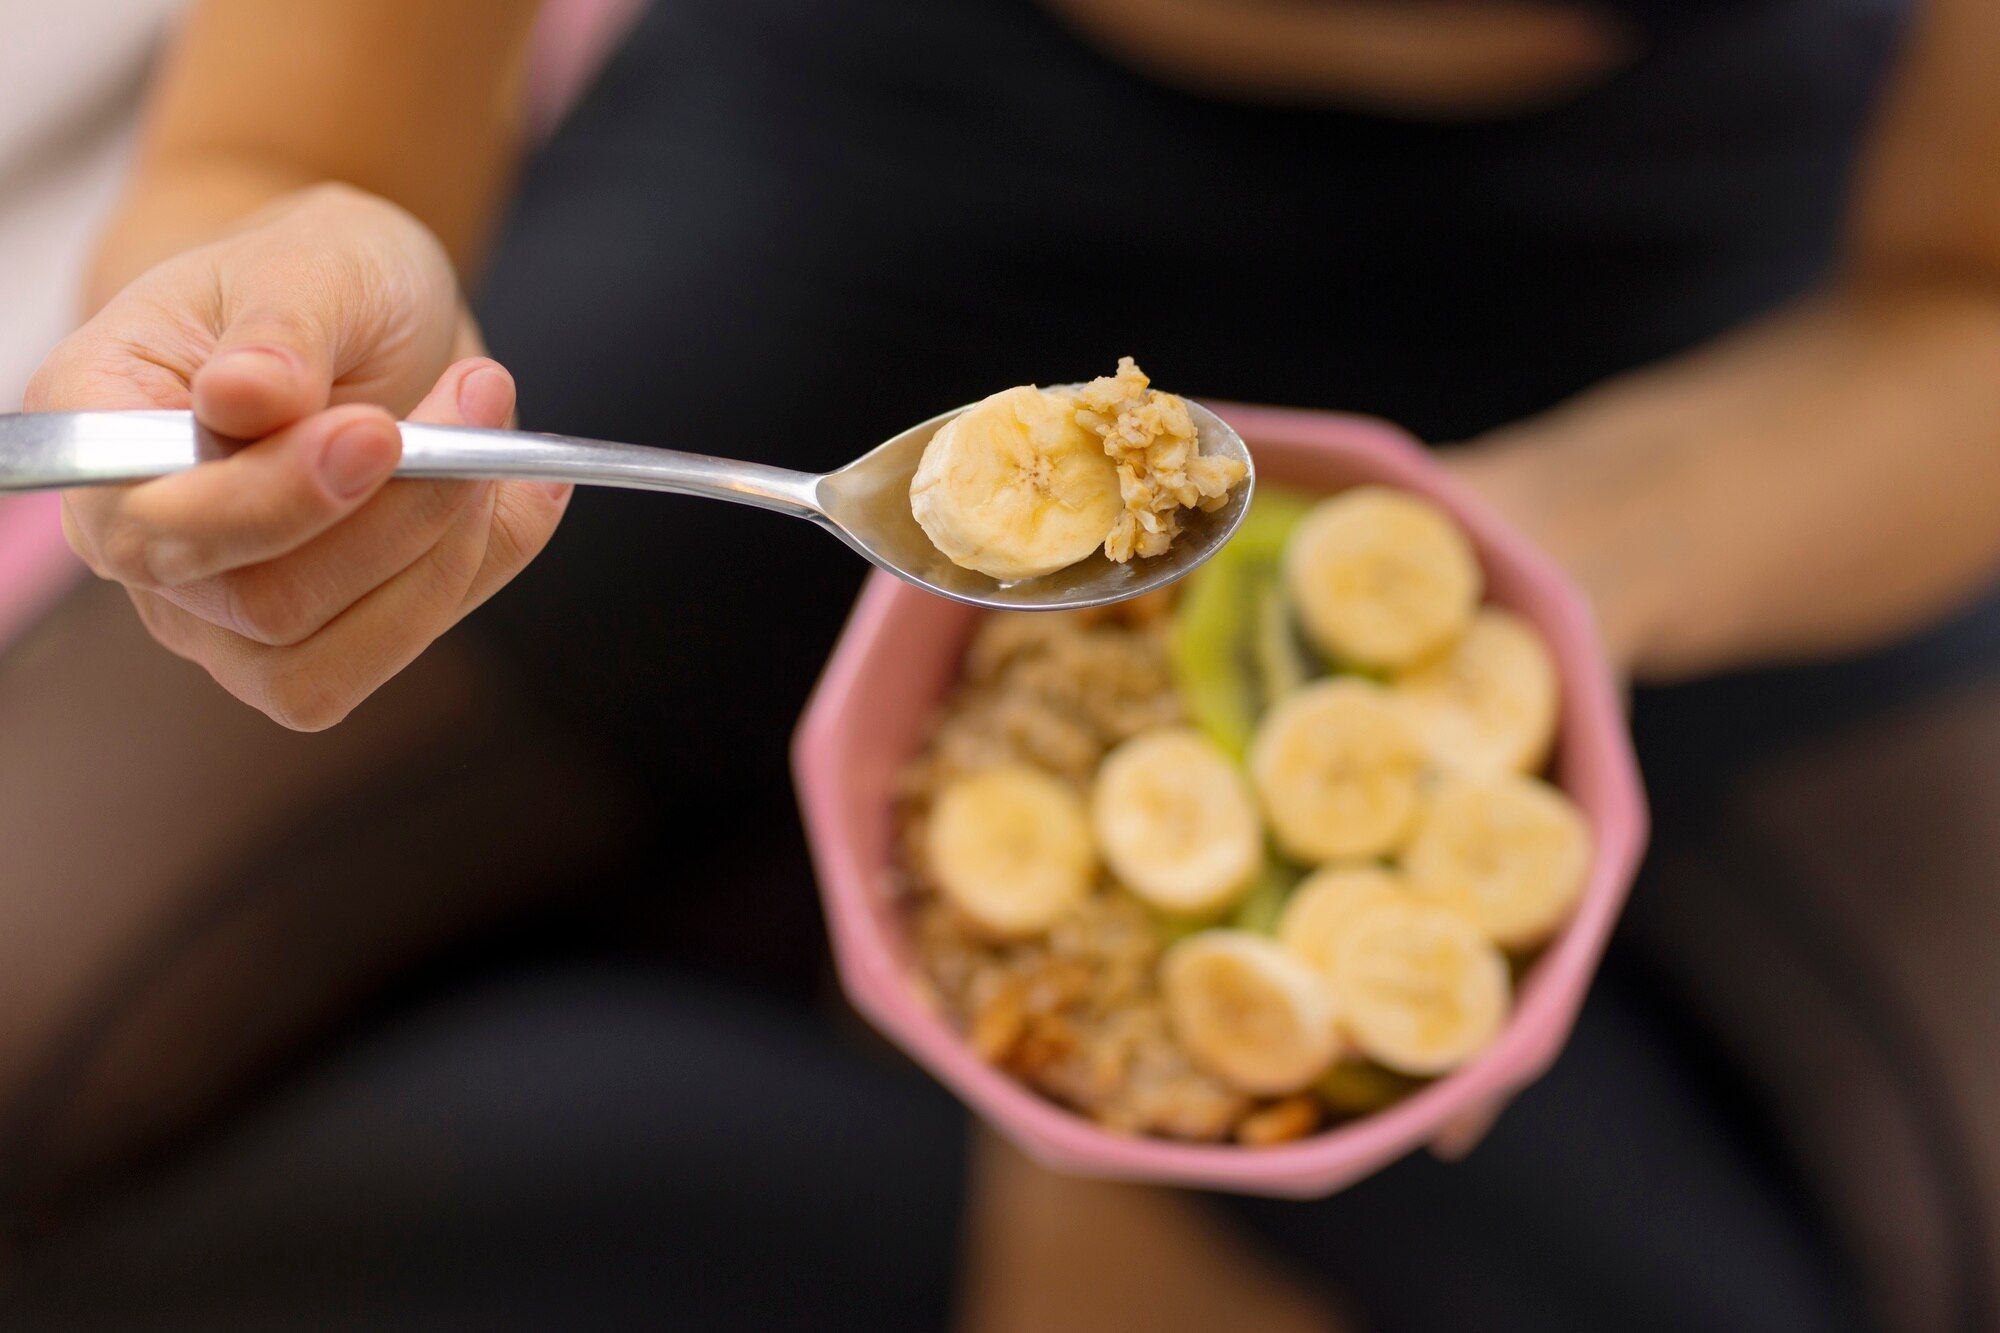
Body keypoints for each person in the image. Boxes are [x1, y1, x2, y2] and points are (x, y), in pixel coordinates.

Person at [5, 0, 1999, 1326]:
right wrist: (250, 313)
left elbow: (1972, 303)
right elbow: (274, 140)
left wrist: (1563, 547)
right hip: (851, 175)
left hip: (1686, 316)